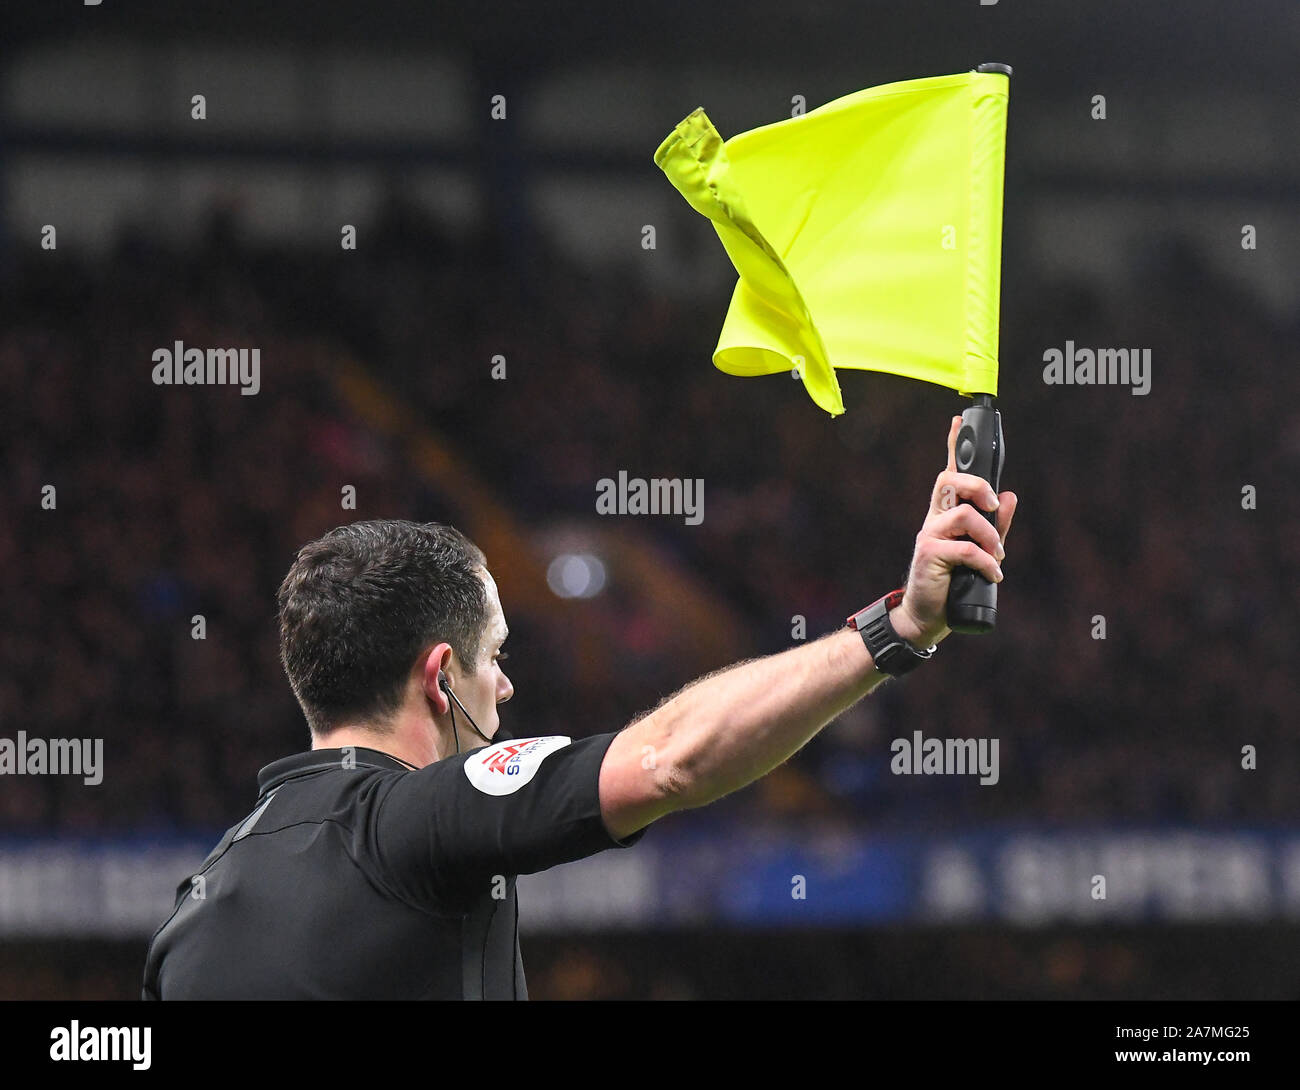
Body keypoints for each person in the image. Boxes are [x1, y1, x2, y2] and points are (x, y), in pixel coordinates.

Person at [142, 415, 1016, 999]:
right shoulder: (413, 822)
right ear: (443, 676)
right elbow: (672, 759)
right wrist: (899, 627)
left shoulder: (197, 903)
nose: (508, 685)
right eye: (497, 657)